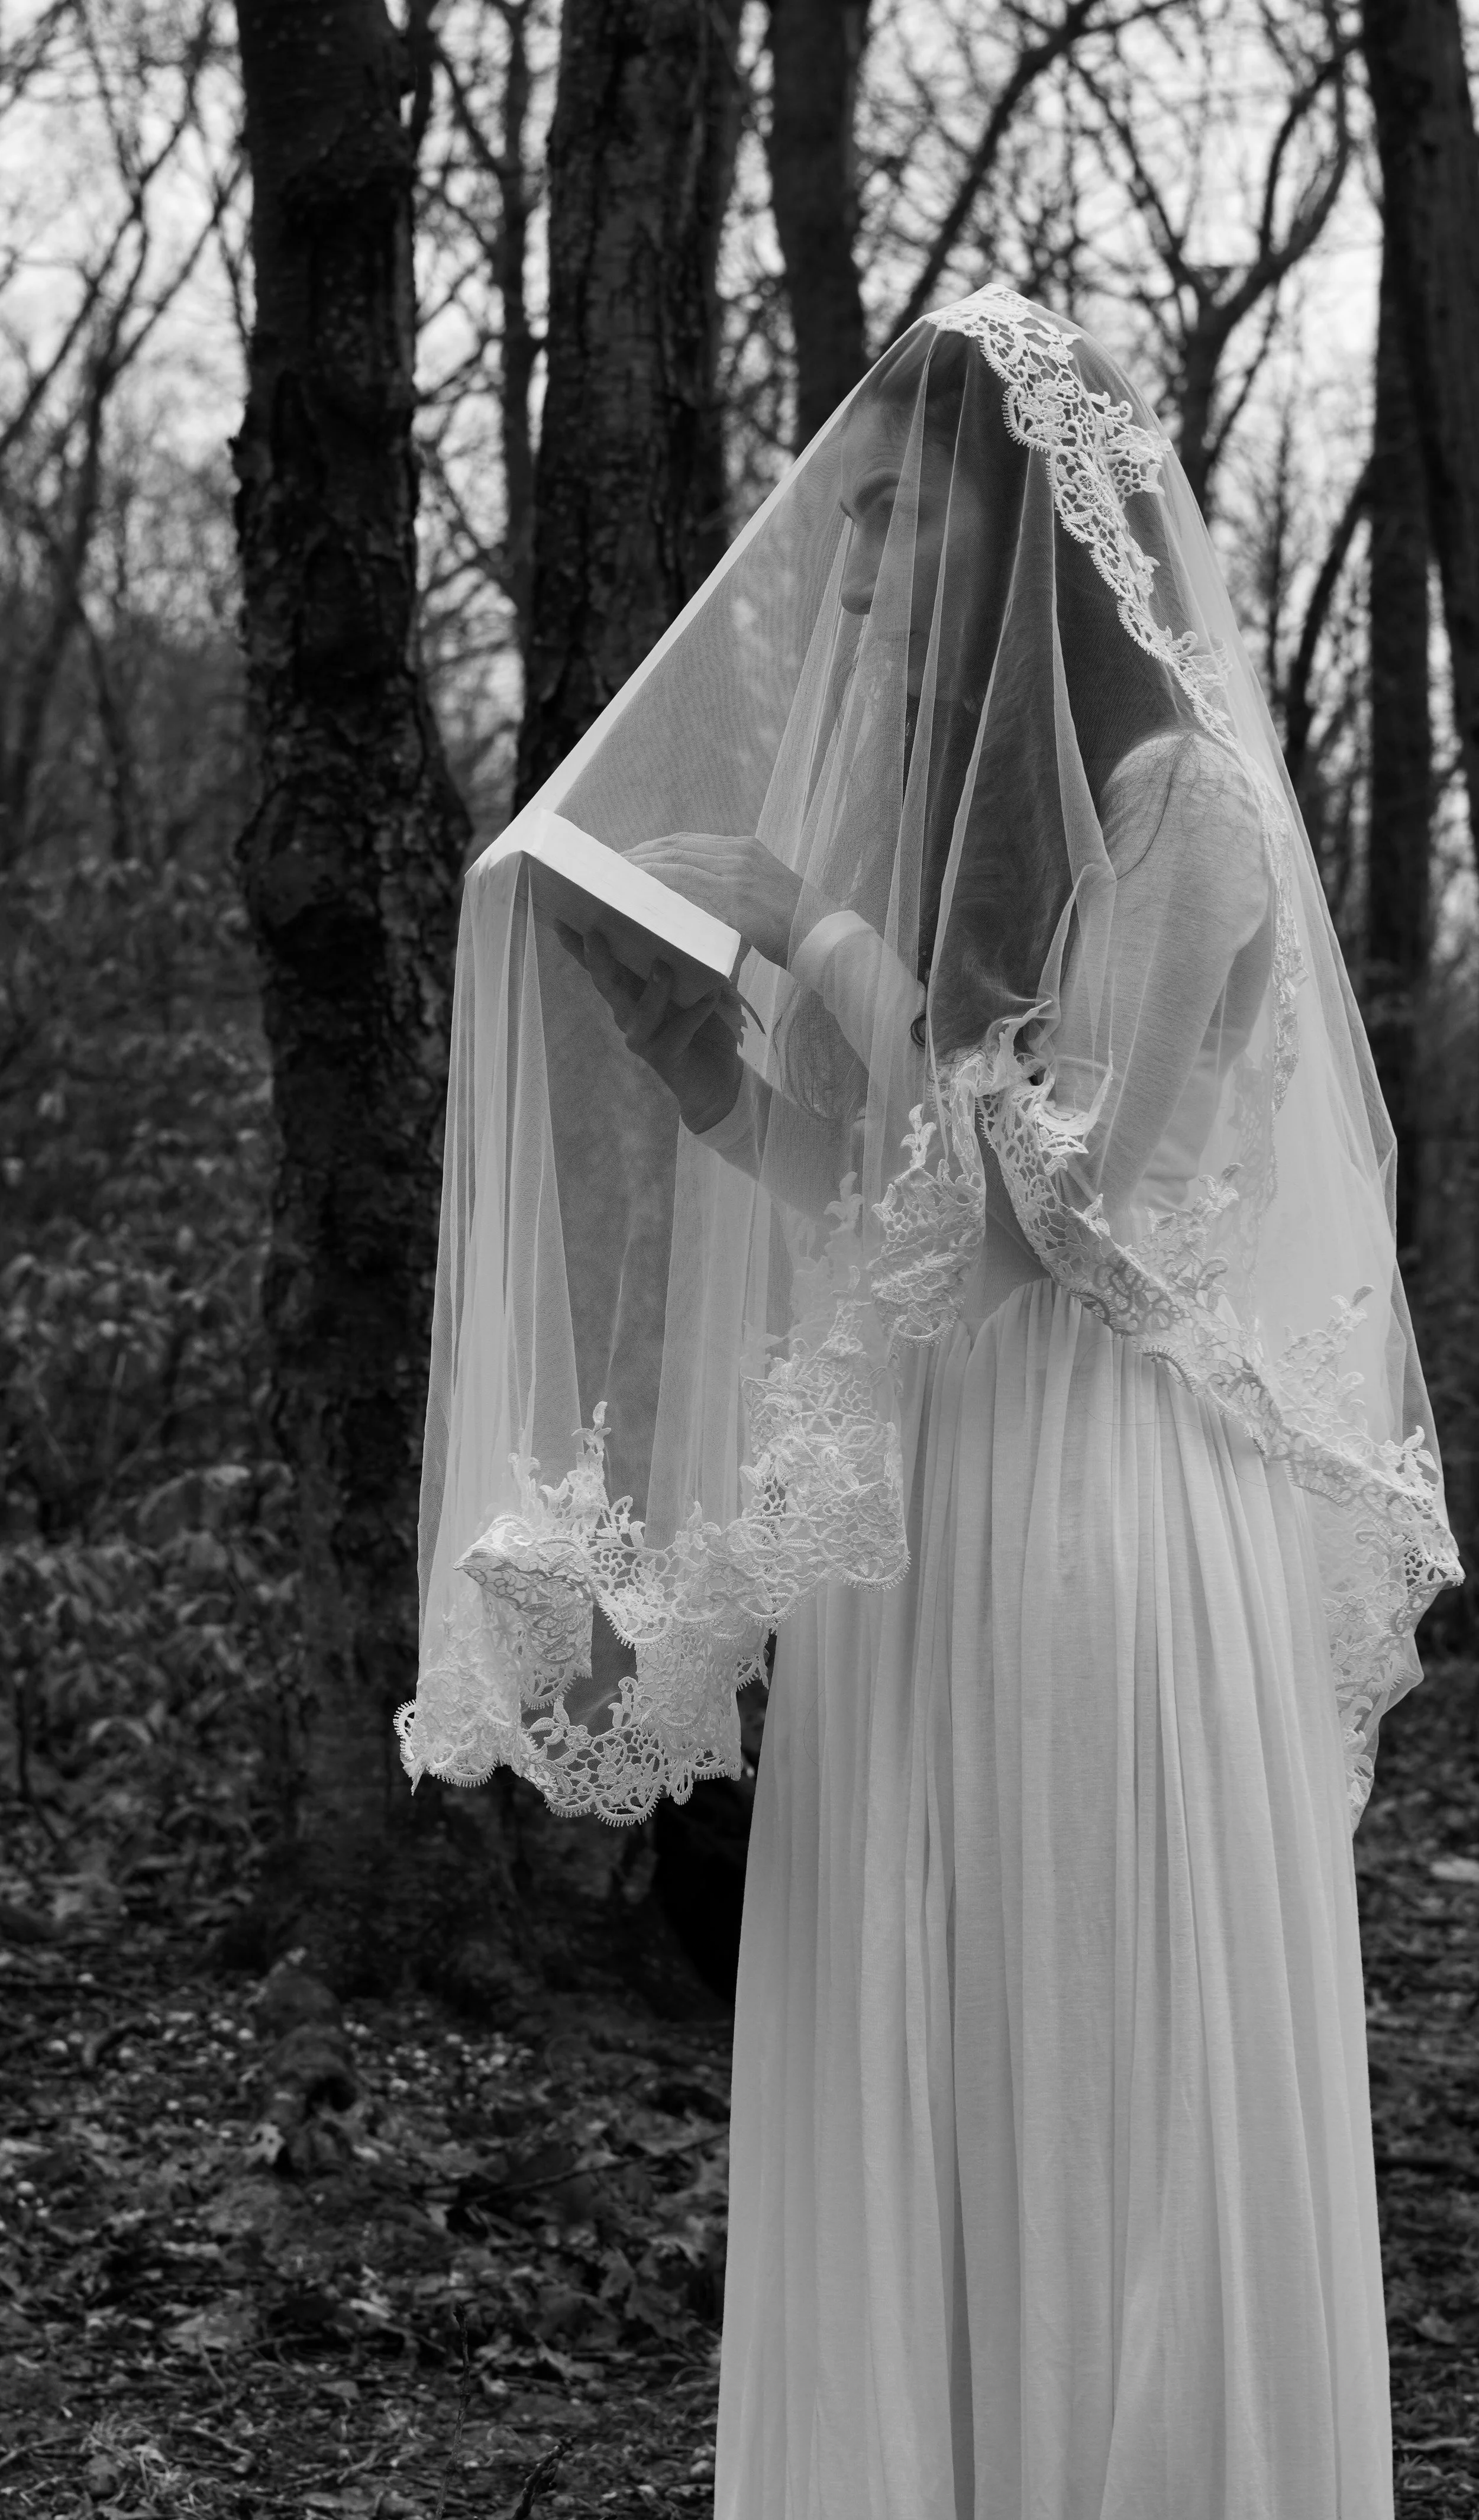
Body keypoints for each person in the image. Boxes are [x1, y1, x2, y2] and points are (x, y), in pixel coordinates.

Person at [399, 288, 1460, 2519]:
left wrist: (805, 935)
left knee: (1090, 2069)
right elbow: (868, 1199)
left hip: (1092, 1505)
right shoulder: (914, 840)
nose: (852, 577)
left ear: (1015, 544)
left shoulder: (1182, 807)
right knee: (919, 2053)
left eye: (889, 534)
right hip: (921, 1506)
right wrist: (691, 1041)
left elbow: (1062, 1217)